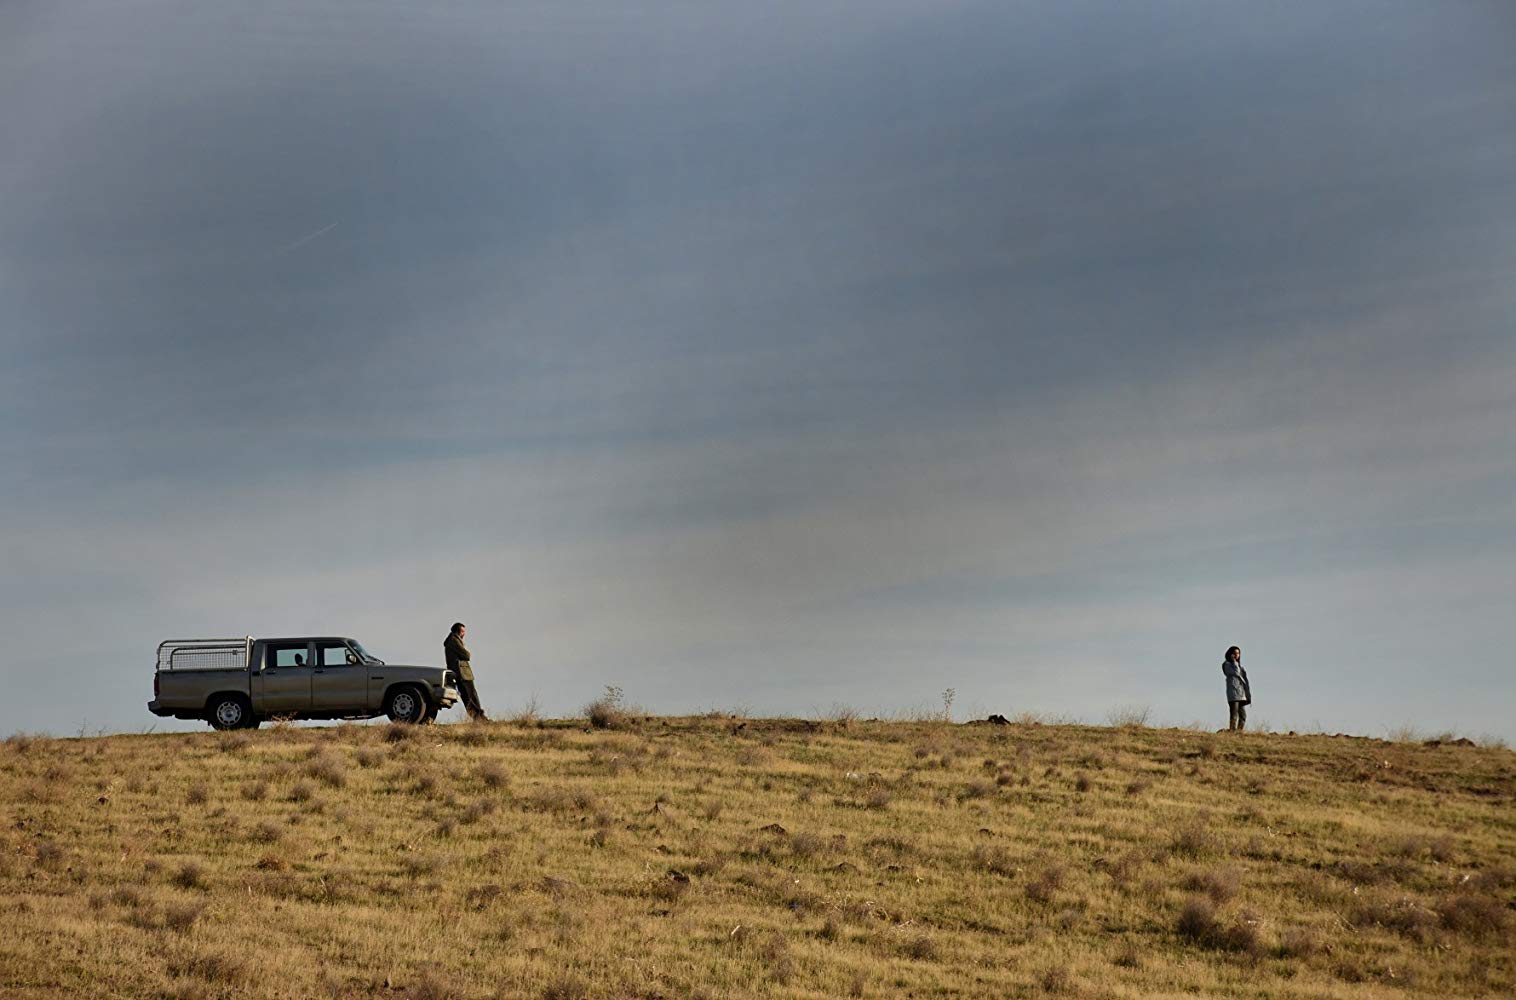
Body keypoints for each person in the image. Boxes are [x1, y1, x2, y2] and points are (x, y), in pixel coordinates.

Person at [444, 622, 488, 721]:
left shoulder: (452, 640)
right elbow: (466, 655)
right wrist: (466, 651)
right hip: (462, 673)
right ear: (458, 631)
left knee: (468, 696)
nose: (464, 634)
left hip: (460, 673)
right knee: (470, 696)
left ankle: (478, 717)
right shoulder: (454, 640)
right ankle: (479, 718)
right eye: (463, 631)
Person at [1222, 645, 1250, 732]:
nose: (1237, 655)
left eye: (1238, 653)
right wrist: (1234, 661)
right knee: (1234, 714)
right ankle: (1232, 731)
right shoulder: (1227, 664)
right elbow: (1236, 672)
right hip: (1233, 694)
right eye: (1234, 653)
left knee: (1243, 715)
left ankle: (1239, 731)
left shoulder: (1240, 667)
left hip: (1241, 694)